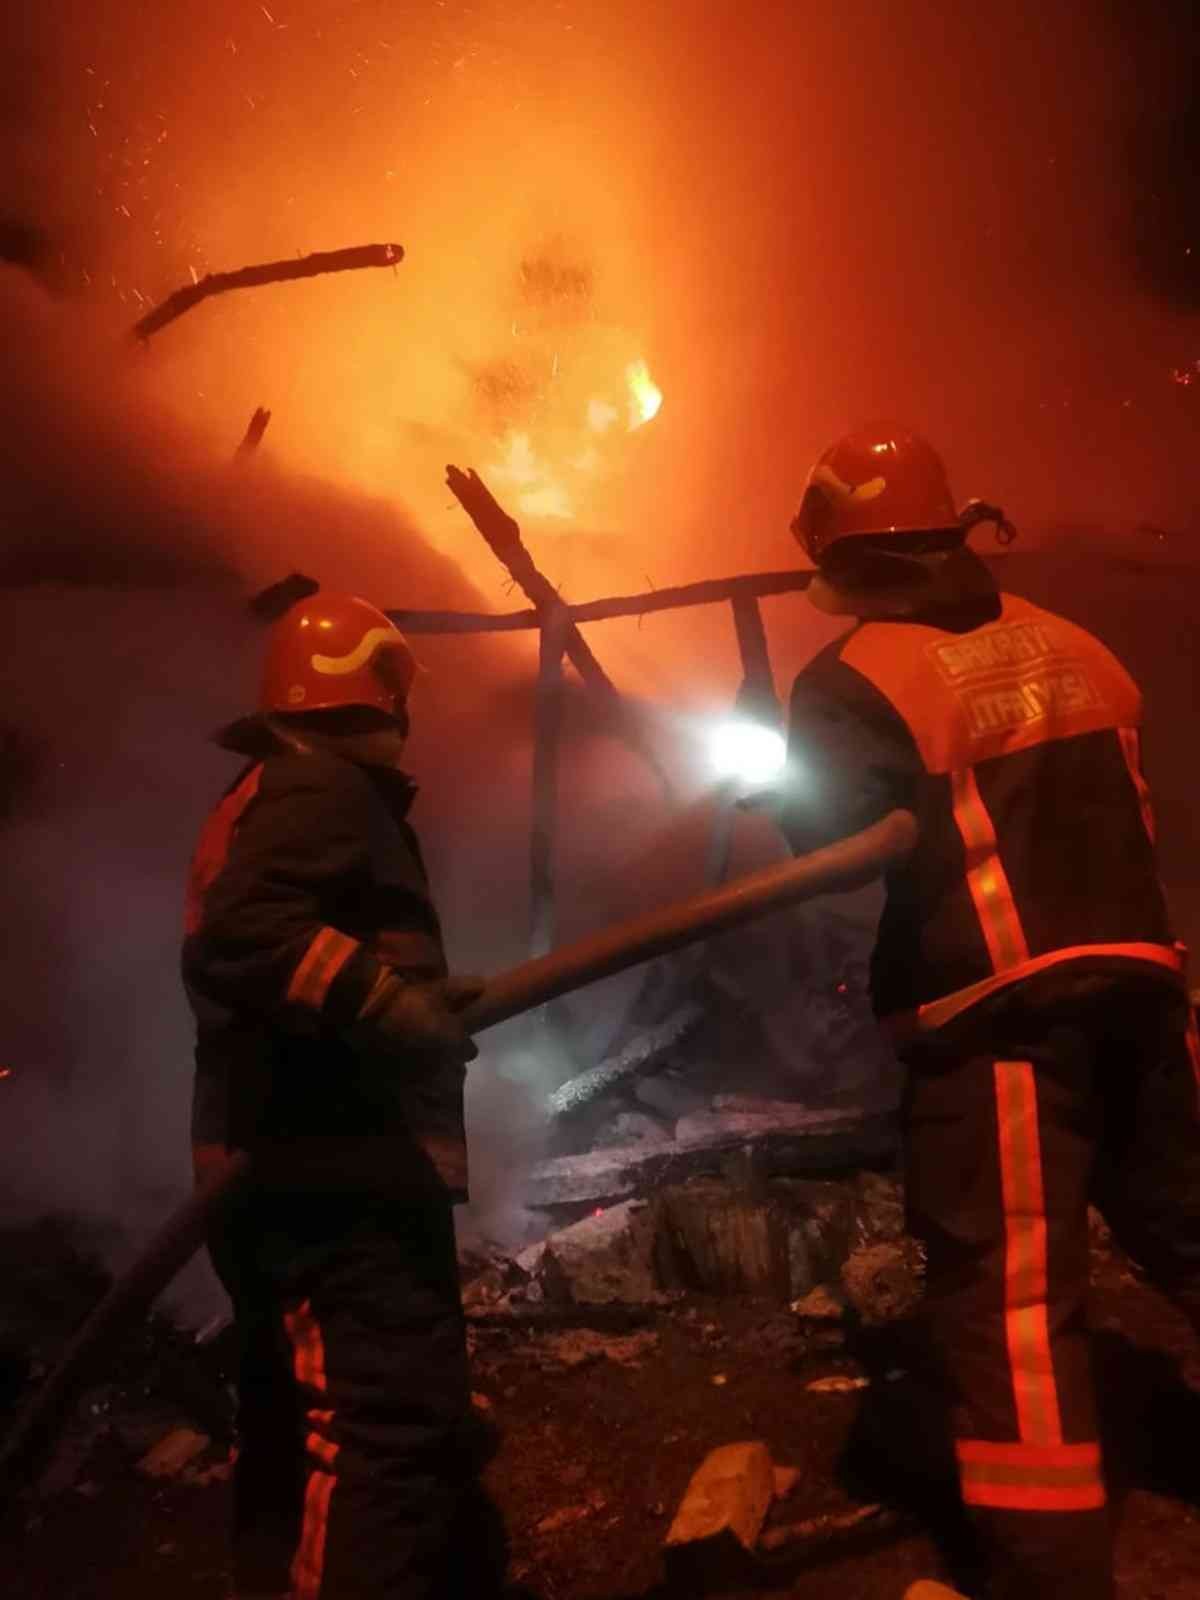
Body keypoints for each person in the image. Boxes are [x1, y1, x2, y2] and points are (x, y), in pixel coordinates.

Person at [778, 424, 1200, 1600]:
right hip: (1147, 992)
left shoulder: (855, 679)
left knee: (1010, 1309)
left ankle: (1048, 1577)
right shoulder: (1072, 641)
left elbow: (822, 838)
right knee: (1192, 1227)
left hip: (1002, 1023)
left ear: (841, 556)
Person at [182, 585, 497, 1600]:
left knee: (300, 1421)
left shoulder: (274, 785)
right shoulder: (322, 787)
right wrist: (392, 1008)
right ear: (387, 690)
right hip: (326, 1173)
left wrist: (410, 992)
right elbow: (247, 937)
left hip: (295, 1162)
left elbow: (301, 952)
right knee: (378, 1427)